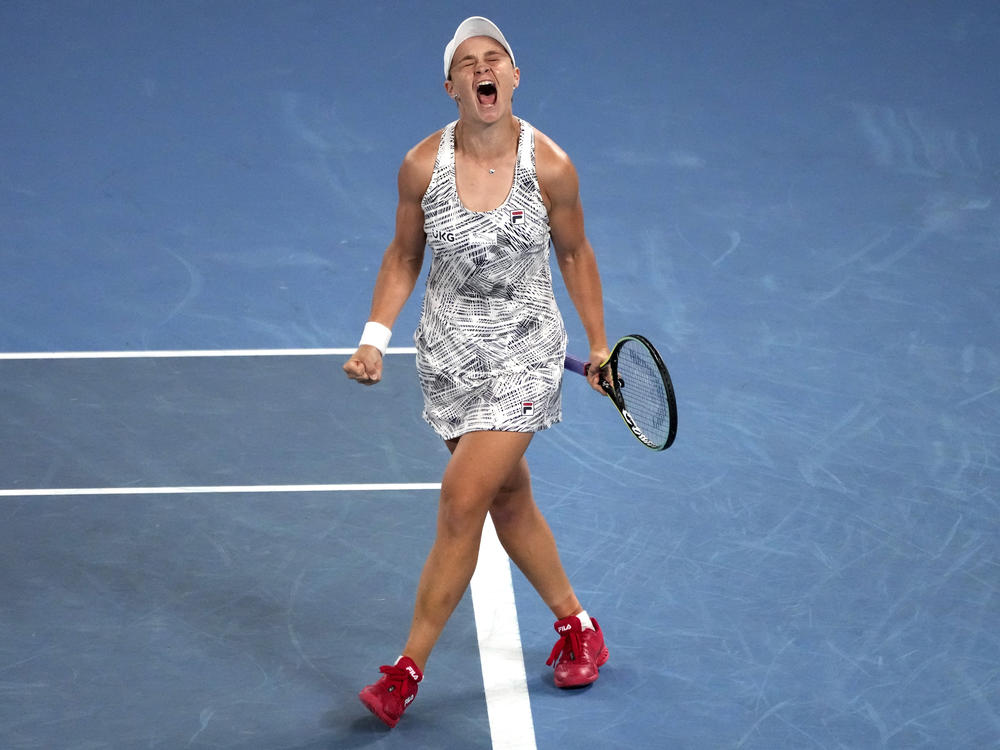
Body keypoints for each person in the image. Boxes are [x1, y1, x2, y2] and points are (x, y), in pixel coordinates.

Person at [343, 15, 612, 729]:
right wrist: (375, 338)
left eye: (495, 60)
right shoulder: (420, 166)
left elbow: (576, 255)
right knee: (508, 502)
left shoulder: (550, 166)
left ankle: (405, 672)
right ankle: (578, 625)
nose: (483, 70)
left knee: (462, 501)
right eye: (469, 63)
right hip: (450, 356)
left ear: (514, 77)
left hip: (526, 354)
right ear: (452, 86)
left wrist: (600, 342)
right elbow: (403, 257)